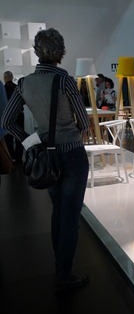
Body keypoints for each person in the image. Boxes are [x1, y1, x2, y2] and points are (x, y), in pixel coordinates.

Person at [1, 28, 90, 290]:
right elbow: (84, 122)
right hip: (72, 154)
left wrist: (32, 141)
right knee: (70, 216)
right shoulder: (65, 81)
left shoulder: (24, 83)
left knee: (58, 211)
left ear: (37, 51)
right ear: (61, 52)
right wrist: (73, 131)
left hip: (45, 155)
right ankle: (64, 275)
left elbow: (7, 122)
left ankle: (60, 268)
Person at [3, 71, 24, 162]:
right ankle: (19, 157)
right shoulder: (17, 87)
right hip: (20, 114)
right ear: (12, 77)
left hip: (8, 116)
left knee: (8, 137)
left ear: (4, 78)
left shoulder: (3, 89)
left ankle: (11, 157)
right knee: (20, 136)